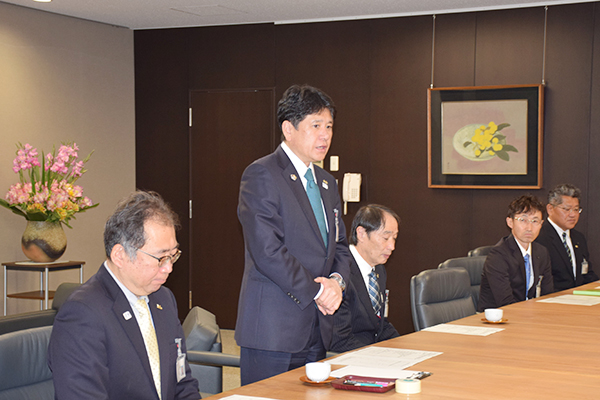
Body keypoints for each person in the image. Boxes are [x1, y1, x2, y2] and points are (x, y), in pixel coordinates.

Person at [235, 84, 351, 385]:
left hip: (317, 326)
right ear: (288, 129)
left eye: (329, 126)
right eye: (315, 126)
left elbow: (339, 246)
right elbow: (267, 251)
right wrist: (318, 291)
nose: (324, 135)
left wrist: (337, 283)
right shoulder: (262, 174)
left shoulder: (327, 182)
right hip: (273, 329)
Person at [48, 191, 201, 400]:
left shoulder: (163, 299)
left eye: (173, 255)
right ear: (120, 255)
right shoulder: (82, 313)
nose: (169, 268)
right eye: (161, 257)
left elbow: (182, 383)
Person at [330, 204, 400, 352]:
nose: (392, 246)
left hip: (370, 352)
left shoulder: (378, 268)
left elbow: (380, 325)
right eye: (386, 237)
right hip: (348, 357)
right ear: (361, 234)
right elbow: (339, 341)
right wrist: (381, 356)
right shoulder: (339, 272)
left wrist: (406, 349)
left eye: (394, 238)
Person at [478, 195, 554, 312]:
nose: (529, 227)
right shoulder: (498, 255)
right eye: (523, 220)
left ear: (541, 224)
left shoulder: (541, 252)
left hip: (528, 316)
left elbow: (547, 294)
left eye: (535, 221)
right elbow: (505, 303)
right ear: (510, 222)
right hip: (497, 319)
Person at [535, 184, 598, 291]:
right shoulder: (539, 237)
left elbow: (586, 274)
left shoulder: (578, 238)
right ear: (550, 209)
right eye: (567, 209)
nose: (573, 214)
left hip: (578, 298)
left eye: (576, 209)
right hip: (552, 300)